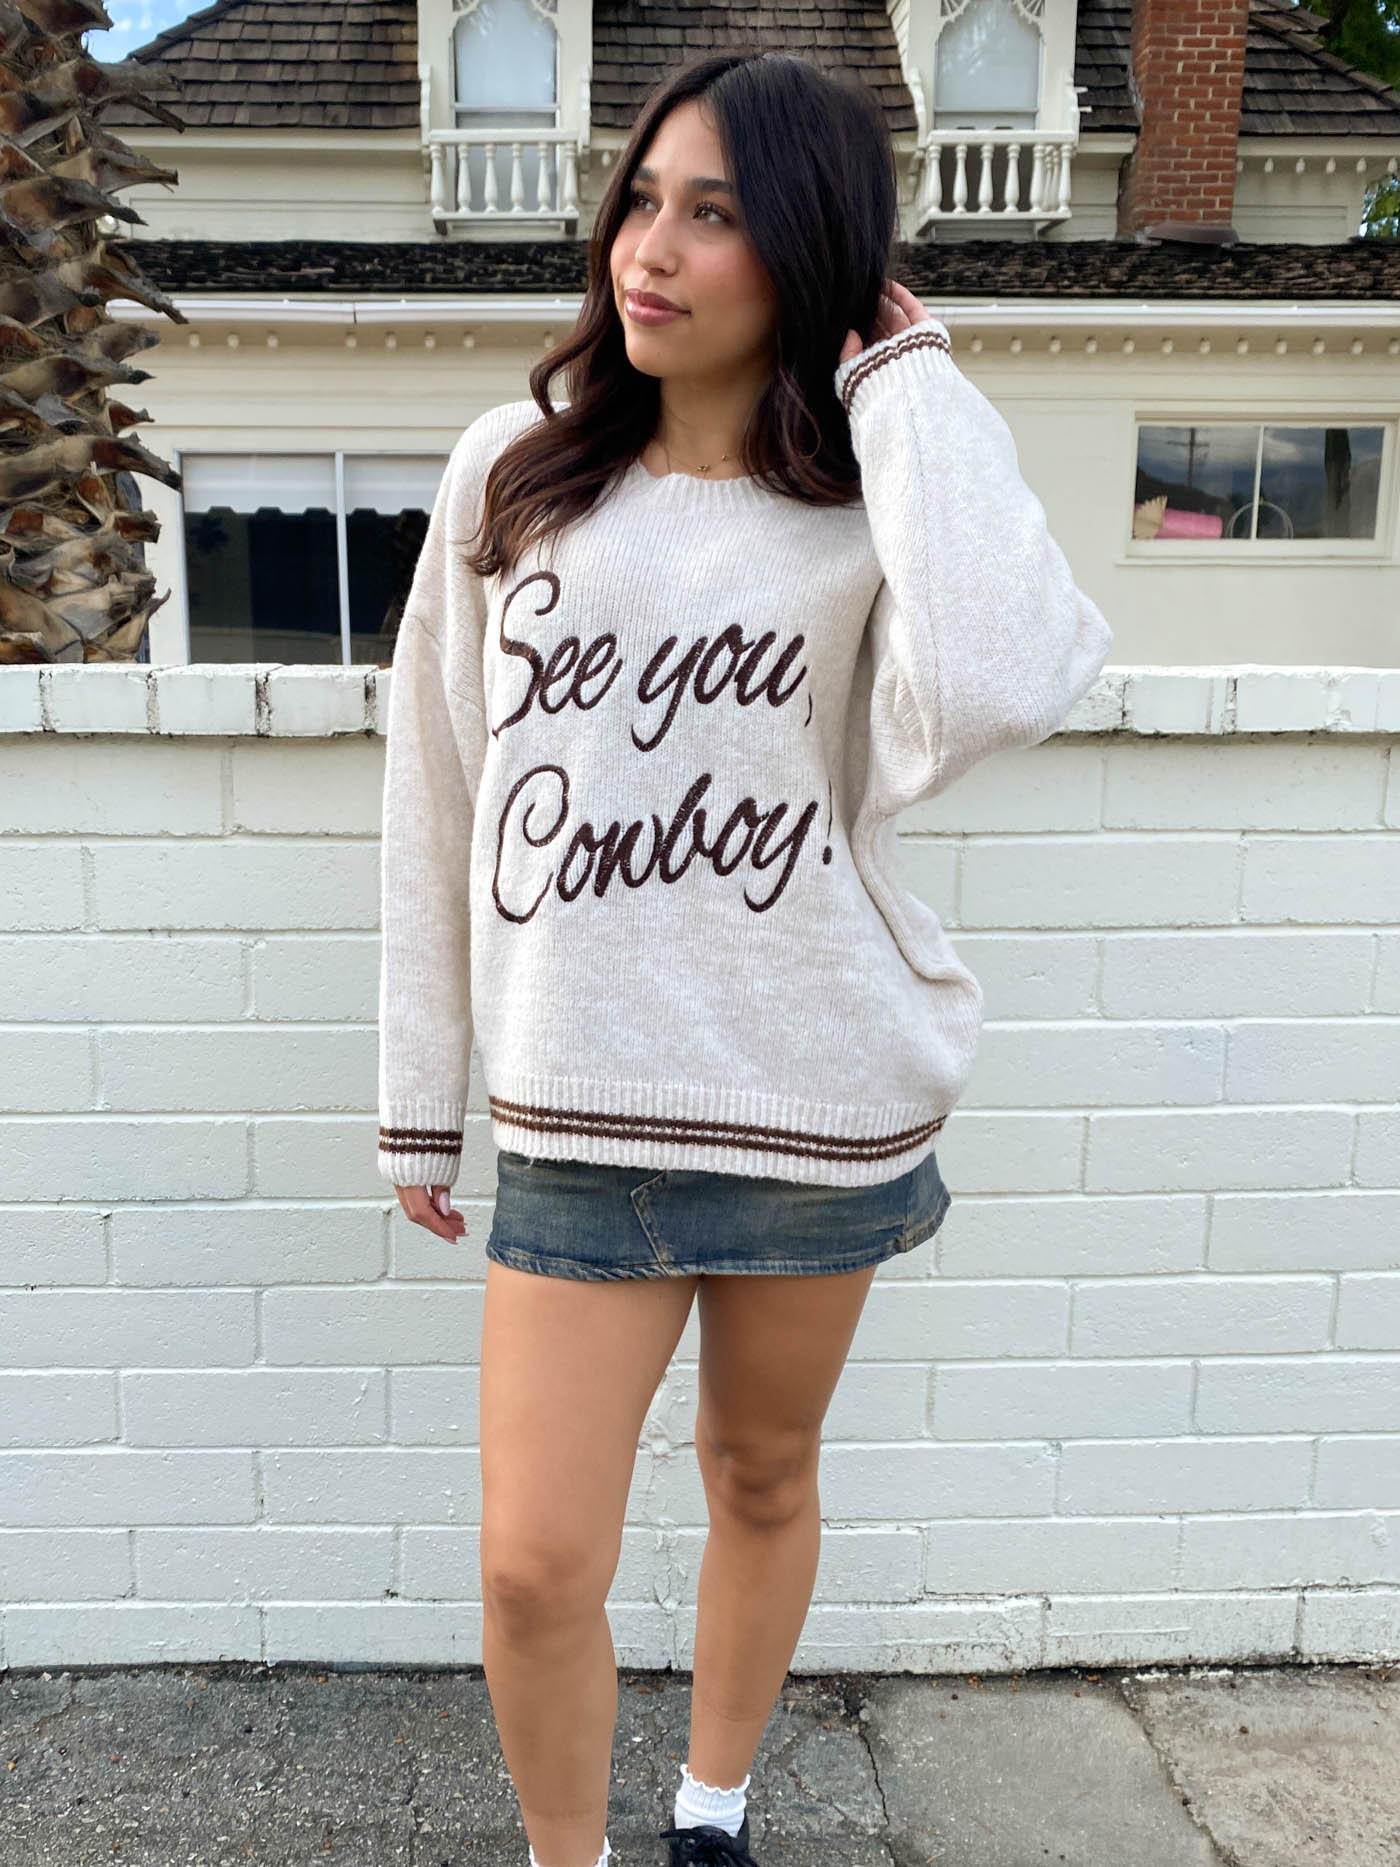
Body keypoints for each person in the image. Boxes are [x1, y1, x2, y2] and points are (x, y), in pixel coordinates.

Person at [375, 47, 1114, 1867]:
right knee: (536, 1558)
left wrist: (902, 361)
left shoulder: (874, 506)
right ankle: (573, 1856)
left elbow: (1016, 678)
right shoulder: (517, 475)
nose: (654, 248)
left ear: (806, 254)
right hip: (577, 1110)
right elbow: (436, 785)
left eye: (718, 214)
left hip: (814, 1096)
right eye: (645, 198)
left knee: (757, 1476)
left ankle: (713, 1815)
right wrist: (419, 1098)